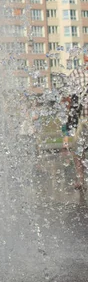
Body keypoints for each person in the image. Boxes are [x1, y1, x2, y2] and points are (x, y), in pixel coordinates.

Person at [64, 55, 88, 191]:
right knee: (78, 149)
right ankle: (80, 177)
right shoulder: (76, 74)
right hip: (82, 118)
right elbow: (71, 100)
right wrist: (68, 128)